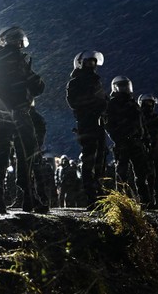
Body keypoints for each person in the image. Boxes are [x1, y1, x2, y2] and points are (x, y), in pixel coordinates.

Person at [0, 26, 47, 214]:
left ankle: (1, 197)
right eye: (16, 40)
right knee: (26, 156)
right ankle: (27, 197)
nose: (18, 43)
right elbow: (38, 88)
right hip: (19, 115)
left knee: (3, 154)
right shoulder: (19, 62)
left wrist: (0, 111)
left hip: (4, 116)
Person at [102, 76, 153, 206]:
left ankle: (145, 200)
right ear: (115, 87)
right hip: (122, 142)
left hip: (136, 142)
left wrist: (145, 138)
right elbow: (108, 125)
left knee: (141, 173)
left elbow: (141, 123)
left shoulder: (134, 103)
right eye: (121, 86)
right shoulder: (112, 104)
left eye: (125, 86)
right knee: (121, 173)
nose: (124, 88)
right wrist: (118, 138)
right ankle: (122, 201)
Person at [66, 50, 108, 208]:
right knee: (89, 159)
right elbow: (73, 102)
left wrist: (104, 107)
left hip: (99, 123)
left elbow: (103, 100)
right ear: (81, 63)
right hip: (86, 123)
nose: (91, 64)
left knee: (101, 157)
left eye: (93, 61)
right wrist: (92, 106)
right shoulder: (76, 81)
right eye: (88, 61)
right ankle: (91, 197)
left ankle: (101, 195)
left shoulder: (96, 81)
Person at [139, 94, 158, 208]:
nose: (149, 105)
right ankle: (149, 201)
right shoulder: (138, 116)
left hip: (155, 150)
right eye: (147, 103)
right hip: (143, 150)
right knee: (147, 176)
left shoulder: (156, 117)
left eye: (151, 103)